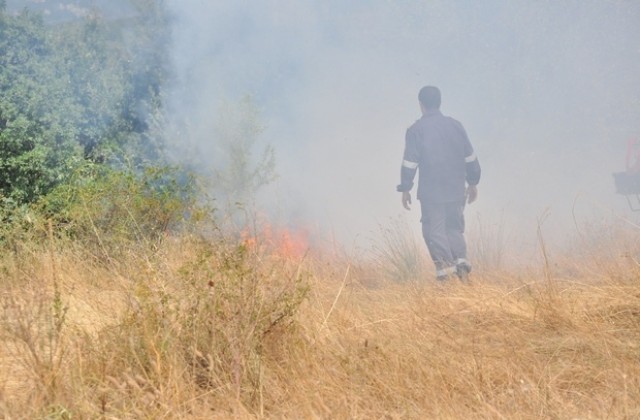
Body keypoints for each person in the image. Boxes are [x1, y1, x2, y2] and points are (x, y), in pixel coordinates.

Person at [397, 86, 481, 281]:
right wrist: (473, 183)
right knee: (453, 227)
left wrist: (405, 188)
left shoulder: (416, 130)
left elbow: (410, 163)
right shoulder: (456, 126)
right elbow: (470, 157)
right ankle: (461, 263)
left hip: (432, 192)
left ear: (421, 105)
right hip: (456, 189)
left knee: (434, 231)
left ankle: (446, 275)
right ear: (439, 102)